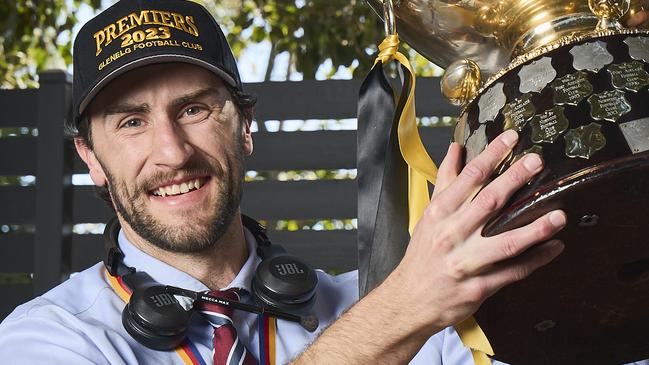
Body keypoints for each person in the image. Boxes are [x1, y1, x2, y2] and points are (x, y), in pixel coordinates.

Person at [0, 0, 589, 363]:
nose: (171, 152)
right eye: (131, 121)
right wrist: (401, 313)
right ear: (91, 158)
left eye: (196, 110)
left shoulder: (397, 299)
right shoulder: (47, 338)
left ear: (245, 128)